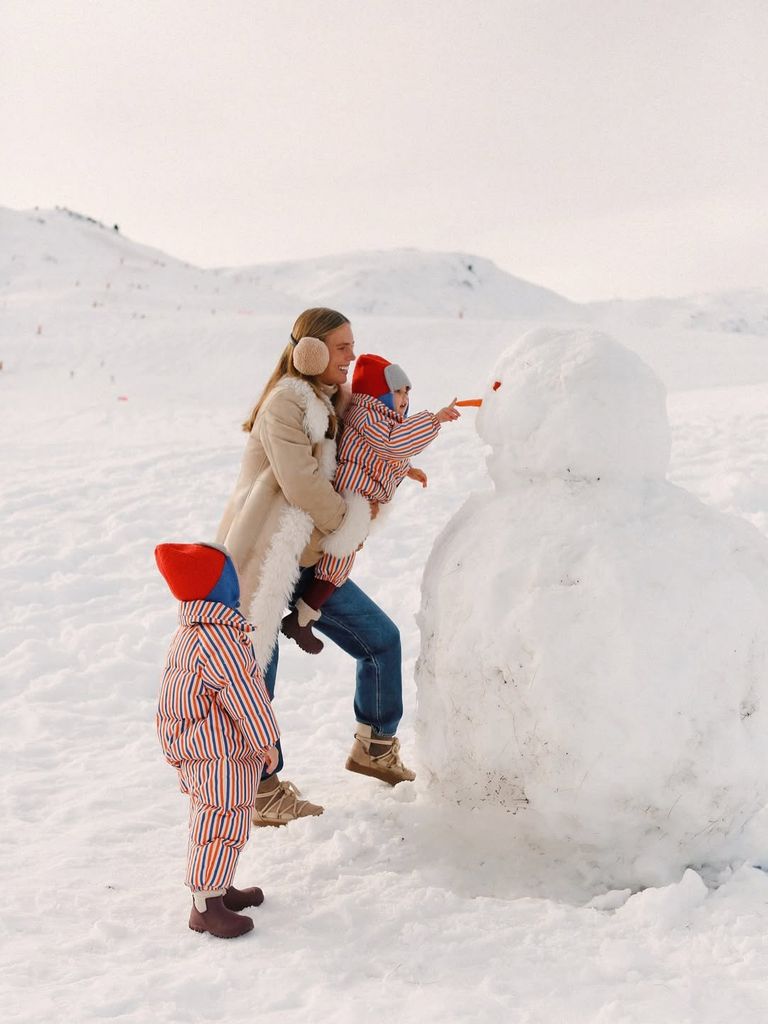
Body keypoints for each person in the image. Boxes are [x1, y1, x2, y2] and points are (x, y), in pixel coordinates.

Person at [216, 308, 420, 826]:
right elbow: (302, 485)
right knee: (257, 674)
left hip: (308, 555)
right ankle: (260, 789)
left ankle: (374, 747)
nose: (351, 356)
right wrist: (353, 517)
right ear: (310, 352)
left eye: (353, 347)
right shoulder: (287, 402)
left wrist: (394, 466)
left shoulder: (332, 402)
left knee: (380, 639)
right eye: (342, 347)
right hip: (265, 555)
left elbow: (368, 448)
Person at [280, 352, 459, 656]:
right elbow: (392, 443)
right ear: (377, 394)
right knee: (338, 559)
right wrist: (434, 419)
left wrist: (408, 468)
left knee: (342, 561)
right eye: (397, 391)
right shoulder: (366, 414)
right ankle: (301, 618)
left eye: (406, 393)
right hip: (352, 494)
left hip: (363, 494)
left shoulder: (382, 420)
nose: (403, 399)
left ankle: (304, 616)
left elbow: (386, 454)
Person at [155, 542, 280, 939]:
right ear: (221, 588)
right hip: (218, 750)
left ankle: (219, 886)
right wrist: (267, 741)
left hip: (201, 745)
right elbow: (245, 696)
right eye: (231, 579)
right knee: (221, 817)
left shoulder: (192, 631)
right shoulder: (219, 640)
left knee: (218, 815)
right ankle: (206, 905)